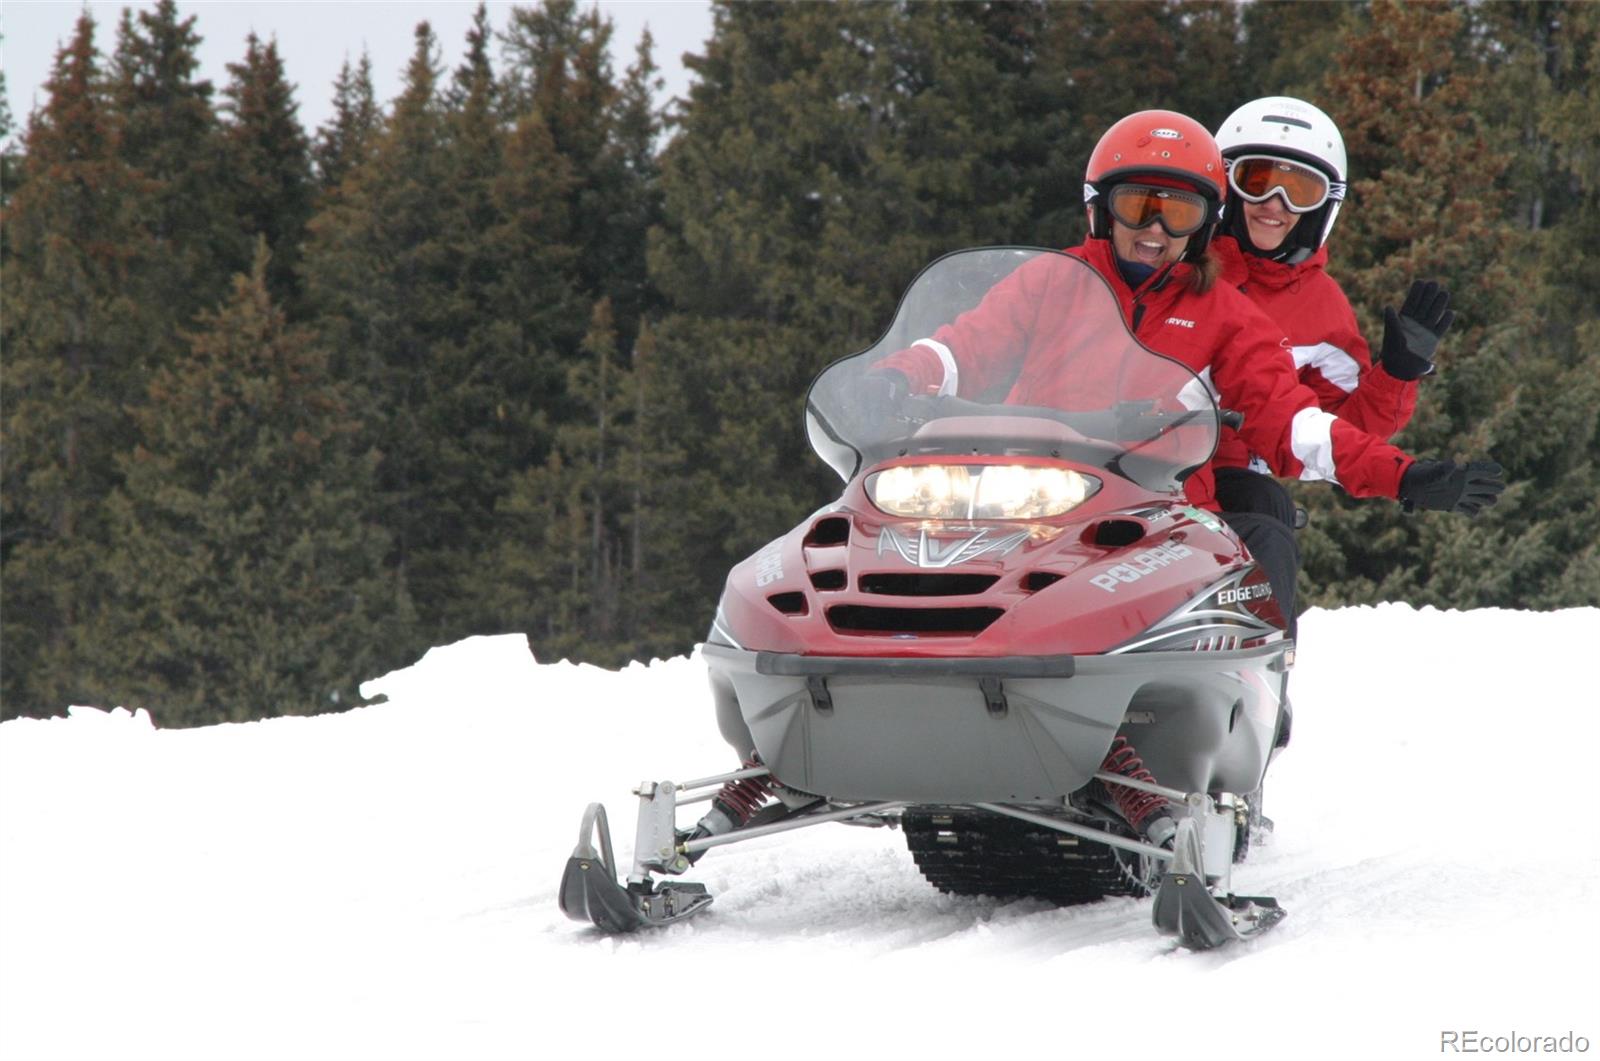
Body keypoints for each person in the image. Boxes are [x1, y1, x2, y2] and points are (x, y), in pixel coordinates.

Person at [869, 109, 1504, 632]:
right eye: (1137, 206)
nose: (1154, 229)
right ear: (1101, 209)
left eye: (1178, 213)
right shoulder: (1051, 278)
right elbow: (964, 348)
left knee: (1255, 526)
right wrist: (897, 378)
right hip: (1031, 482)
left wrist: (1407, 475)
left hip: (1158, 502)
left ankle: (1225, 701)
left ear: (1203, 224)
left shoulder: (1229, 314)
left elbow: (1296, 426)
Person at [1209, 95, 1455, 524]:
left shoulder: (1321, 307)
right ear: (1225, 185)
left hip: (1232, 477)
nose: (1275, 202)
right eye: (1257, 180)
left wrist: (1396, 376)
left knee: (1268, 512)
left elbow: (1341, 429)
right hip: (1134, 456)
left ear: (1324, 205)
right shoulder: (1181, 269)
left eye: (1300, 191)